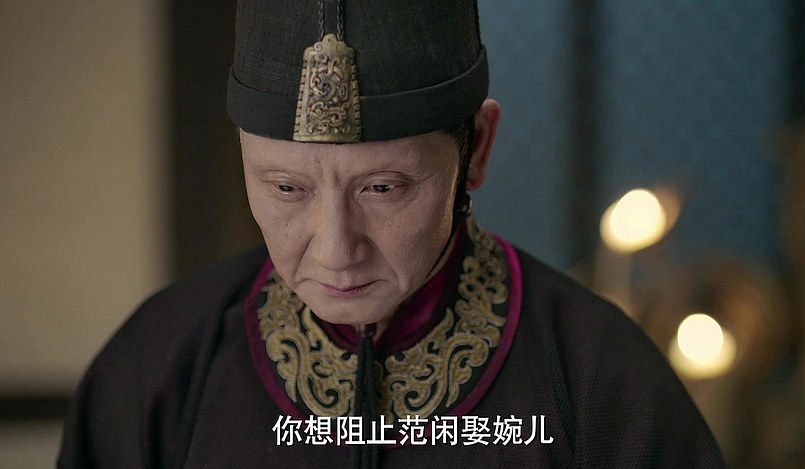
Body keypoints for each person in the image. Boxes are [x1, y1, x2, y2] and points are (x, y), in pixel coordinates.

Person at [59, 0, 726, 467]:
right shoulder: (159, 367)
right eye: (286, 188)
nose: (335, 250)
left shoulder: (599, 382)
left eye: (382, 188)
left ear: (477, 148)